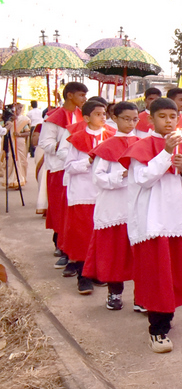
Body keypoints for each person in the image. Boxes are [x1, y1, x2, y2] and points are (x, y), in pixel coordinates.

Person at [120, 97, 182, 353]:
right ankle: (156, 329)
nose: (168, 121)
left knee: (174, 273)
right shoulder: (141, 147)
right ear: (150, 119)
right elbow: (143, 179)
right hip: (153, 220)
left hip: (178, 219)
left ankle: (166, 317)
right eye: (163, 116)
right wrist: (166, 153)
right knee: (156, 274)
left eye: (173, 116)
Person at [84, 102, 140, 312]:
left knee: (140, 254)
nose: (131, 123)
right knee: (115, 253)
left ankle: (141, 296)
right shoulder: (106, 146)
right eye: (126, 119)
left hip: (137, 205)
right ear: (114, 118)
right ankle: (114, 293)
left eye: (135, 119)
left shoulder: (141, 144)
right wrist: (121, 175)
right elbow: (97, 177)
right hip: (114, 205)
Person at [59, 100, 115, 294]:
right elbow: (69, 166)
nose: (103, 117)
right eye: (98, 114)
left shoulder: (111, 136)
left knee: (101, 235)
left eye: (104, 114)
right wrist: (89, 161)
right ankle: (83, 276)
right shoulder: (77, 139)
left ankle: (97, 272)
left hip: (104, 192)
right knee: (83, 236)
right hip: (83, 192)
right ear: (86, 118)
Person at [39, 81, 88, 267]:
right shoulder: (53, 118)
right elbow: (45, 143)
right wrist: (65, 145)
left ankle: (72, 245)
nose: (84, 99)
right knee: (60, 209)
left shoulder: (83, 115)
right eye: (81, 95)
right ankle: (61, 243)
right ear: (70, 95)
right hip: (59, 168)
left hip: (79, 167)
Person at [3, 103, 30, 189]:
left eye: (20, 108)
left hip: (20, 143)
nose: (18, 110)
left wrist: (20, 134)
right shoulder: (8, 120)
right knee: (11, 161)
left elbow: (28, 132)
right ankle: (11, 180)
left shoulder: (24, 120)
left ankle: (19, 180)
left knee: (20, 162)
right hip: (10, 142)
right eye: (16, 108)